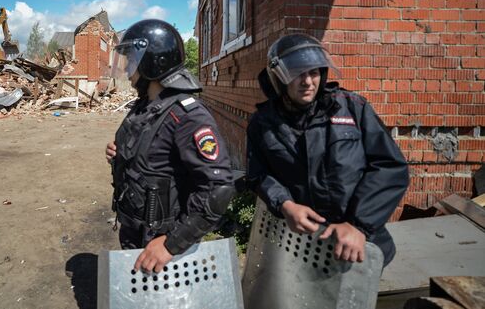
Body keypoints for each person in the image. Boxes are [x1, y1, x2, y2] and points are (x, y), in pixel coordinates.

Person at [246, 33, 409, 266]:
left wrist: (358, 225)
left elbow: (390, 167)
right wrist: (285, 204)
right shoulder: (262, 123)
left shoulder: (352, 108)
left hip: (359, 245)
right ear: (278, 78)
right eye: (297, 74)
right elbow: (258, 175)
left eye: (313, 72)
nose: (307, 81)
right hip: (302, 247)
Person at [105, 19, 235, 274]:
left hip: (163, 251)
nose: (128, 69)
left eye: (132, 60)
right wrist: (118, 155)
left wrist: (171, 244)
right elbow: (150, 157)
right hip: (135, 235)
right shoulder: (145, 106)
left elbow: (218, 189)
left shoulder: (188, 115)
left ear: (152, 61)